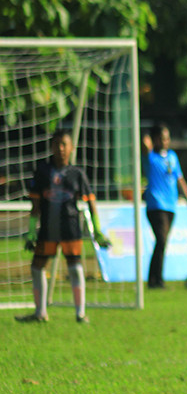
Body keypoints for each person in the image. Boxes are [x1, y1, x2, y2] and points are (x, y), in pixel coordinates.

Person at [16, 129, 110, 324]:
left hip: (71, 227)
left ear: (71, 148)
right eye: (57, 144)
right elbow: (35, 205)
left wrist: (97, 231)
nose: (60, 148)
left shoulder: (77, 173)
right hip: (48, 228)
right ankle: (40, 313)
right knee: (37, 267)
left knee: (75, 267)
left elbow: (91, 203)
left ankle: (80, 314)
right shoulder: (42, 171)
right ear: (51, 147)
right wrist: (31, 232)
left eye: (64, 144)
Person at [142, 123, 187, 289]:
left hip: (171, 205)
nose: (165, 141)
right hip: (155, 205)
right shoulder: (150, 157)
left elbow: (180, 179)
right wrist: (147, 138)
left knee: (162, 243)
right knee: (161, 240)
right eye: (162, 138)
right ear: (155, 139)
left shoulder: (172, 156)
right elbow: (144, 144)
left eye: (167, 138)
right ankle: (156, 280)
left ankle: (155, 280)